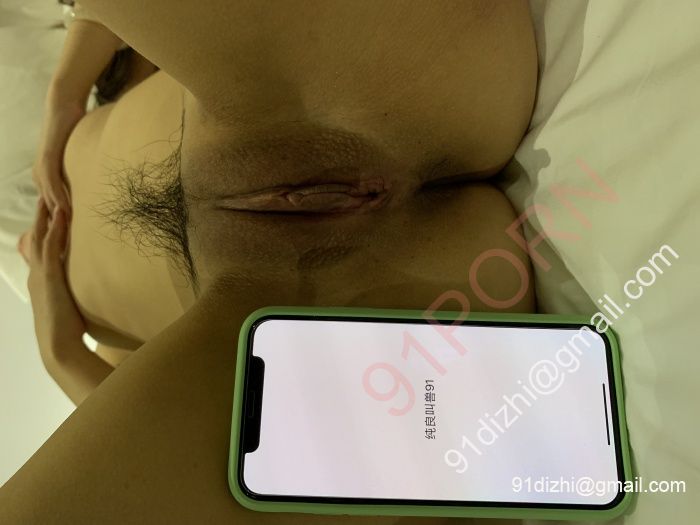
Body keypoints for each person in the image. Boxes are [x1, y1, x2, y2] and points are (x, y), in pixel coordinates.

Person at [1, 1, 538, 523]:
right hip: (299, 311)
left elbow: (94, 15)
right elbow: (141, 418)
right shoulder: (110, 343)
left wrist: (63, 99)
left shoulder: (118, 80)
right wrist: (65, 354)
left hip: (331, 92)